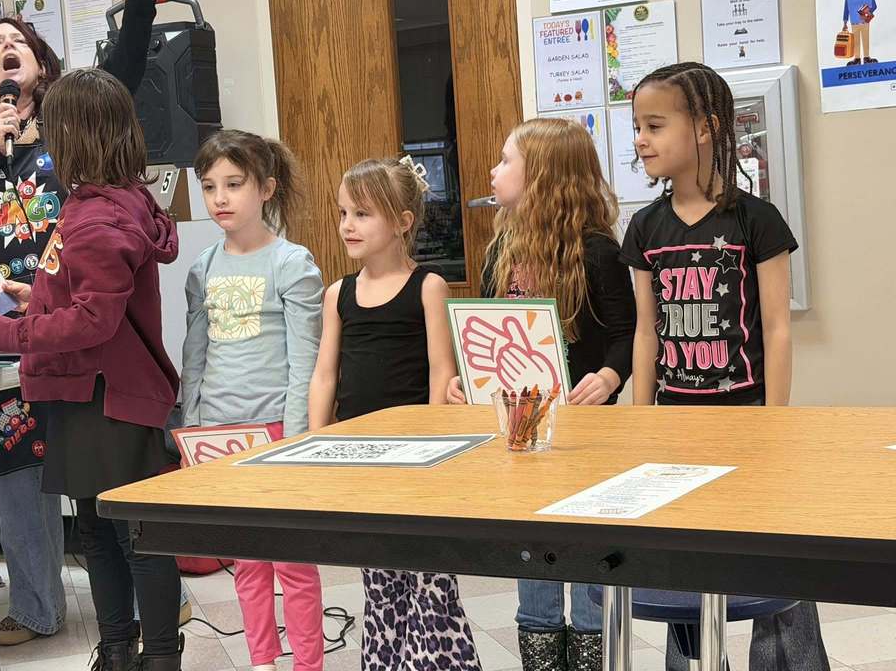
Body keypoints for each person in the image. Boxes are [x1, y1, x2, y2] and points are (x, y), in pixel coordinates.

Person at [0, 0, 160, 646]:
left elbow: (120, 77)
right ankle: (36, 605)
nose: (5, 51)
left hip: (82, 329)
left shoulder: (76, 124)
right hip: (14, 326)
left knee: (107, 487)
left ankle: (143, 618)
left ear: (39, 62)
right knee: (21, 477)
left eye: (16, 41)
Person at [0, 68, 184, 671]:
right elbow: (84, 291)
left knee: (131, 539)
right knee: (101, 536)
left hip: (106, 400)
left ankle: (158, 655)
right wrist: (35, 292)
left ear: (75, 134)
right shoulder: (109, 201)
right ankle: (117, 650)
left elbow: (92, 322)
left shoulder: (95, 217)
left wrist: (5, 332)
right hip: (93, 396)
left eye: (50, 127)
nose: (42, 137)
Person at [619, 61, 829, 671]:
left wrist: (774, 422)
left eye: (655, 125)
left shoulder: (755, 220)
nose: (641, 139)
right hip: (675, 429)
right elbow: (645, 331)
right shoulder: (645, 227)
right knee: (686, 567)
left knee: (770, 565)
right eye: (637, 126)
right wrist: (639, 423)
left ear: (706, 127)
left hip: (747, 423)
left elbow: (778, 328)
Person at [446, 118, 635, 671]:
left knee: (585, 540)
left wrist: (609, 376)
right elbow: (484, 326)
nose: (492, 170)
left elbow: (626, 332)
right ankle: (541, 645)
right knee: (532, 546)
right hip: (518, 430)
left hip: (584, 430)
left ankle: (593, 641)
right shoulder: (500, 247)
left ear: (544, 175)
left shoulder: (597, 251)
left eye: (505, 160)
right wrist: (464, 375)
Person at [308, 157, 480, 671]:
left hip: (416, 458)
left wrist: (435, 453)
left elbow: (440, 371)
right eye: (343, 213)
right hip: (359, 459)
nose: (347, 225)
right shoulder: (338, 293)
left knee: (429, 577)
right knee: (379, 580)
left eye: (362, 214)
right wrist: (314, 444)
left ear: (403, 221)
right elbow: (324, 376)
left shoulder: (428, 286)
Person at [180, 130, 325, 671]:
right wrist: (193, 430)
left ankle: (309, 664)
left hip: (277, 433)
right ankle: (261, 662)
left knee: (294, 562)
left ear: (266, 188)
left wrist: (296, 436)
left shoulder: (292, 263)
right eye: (210, 185)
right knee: (247, 561)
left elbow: (305, 359)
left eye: (234, 184)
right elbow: (194, 355)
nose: (220, 198)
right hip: (220, 436)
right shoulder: (203, 268)